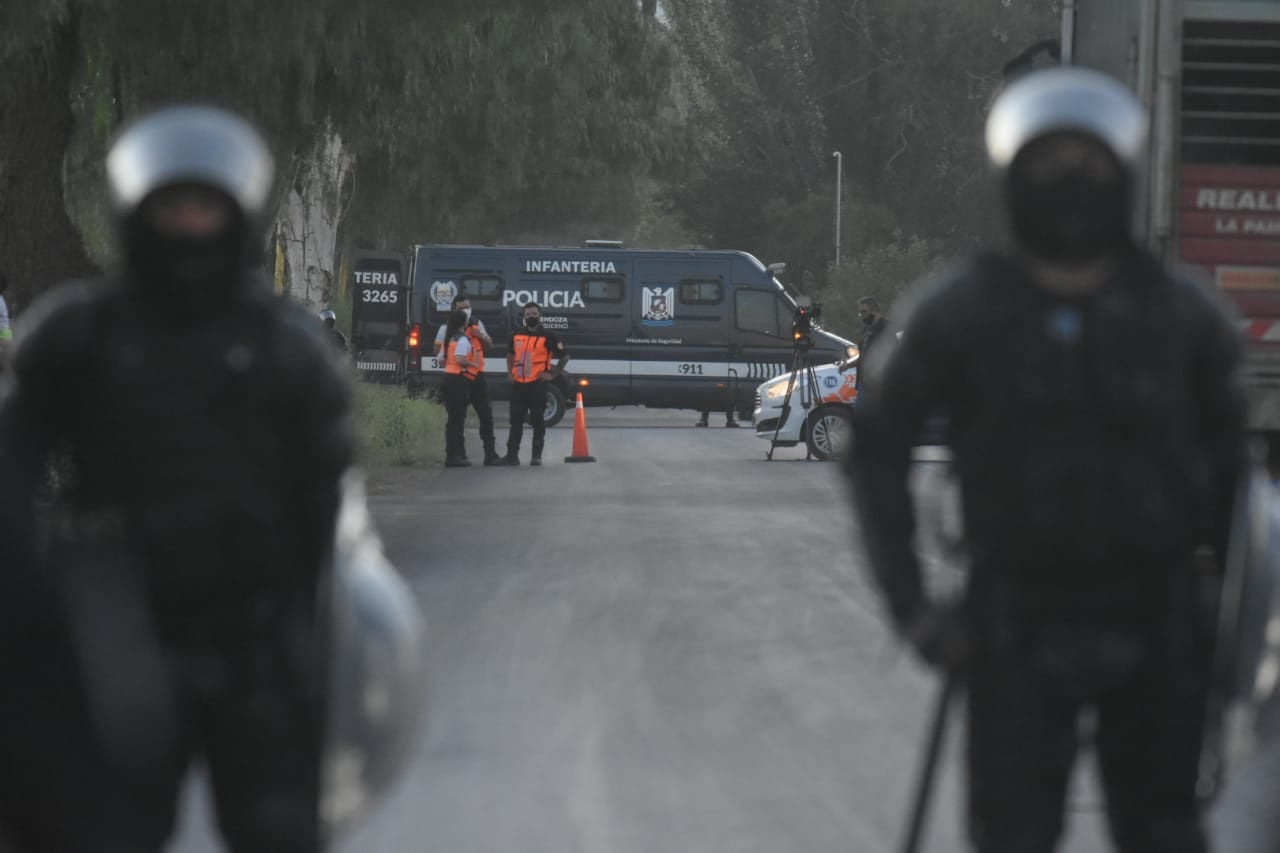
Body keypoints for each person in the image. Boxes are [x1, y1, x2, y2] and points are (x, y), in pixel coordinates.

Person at [844, 67, 1245, 853]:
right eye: (1049, 162)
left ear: (1125, 175)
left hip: (1158, 625)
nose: (1071, 183)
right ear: (1013, 175)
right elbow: (875, 449)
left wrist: (1232, 631)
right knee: (1012, 834)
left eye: (1090, 164)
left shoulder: (1185, 316)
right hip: (1014, 624)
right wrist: (914, 609)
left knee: (1165, 833)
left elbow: (1239, 485)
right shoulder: (962, 312)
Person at [0, 105, 357, 853]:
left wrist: (316, 636)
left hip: (253, 641)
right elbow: (10, 474)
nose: (190, 223)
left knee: (278, 830)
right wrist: (33, 611)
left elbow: (332, 511)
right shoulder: (78, 338)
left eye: (205, 206)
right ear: (138, 212)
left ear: (238, 214)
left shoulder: (289, 352)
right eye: (174, 205)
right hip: (110, 638)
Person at [435, 295, 500, 465]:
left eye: (468, 306)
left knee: (486, 415)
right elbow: (440, 352)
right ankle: (457, 454)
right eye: (462, 308)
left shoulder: (477, 325)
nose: (466, 310)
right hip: (460, 377)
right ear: (455, 310)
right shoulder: (446, 329)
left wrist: (481, 336)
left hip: (477, 376)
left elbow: (489, 345)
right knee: (457, 417)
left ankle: (490, 453)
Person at [504, 301, 568, 466]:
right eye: (527, 315)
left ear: (540, 316)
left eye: (533, 314)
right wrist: (509, 373)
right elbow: (510, 355)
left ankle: (536, 456)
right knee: (516, 421)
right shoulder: (516, 334)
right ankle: (512, 456)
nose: (530, 317)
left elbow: (564, 356)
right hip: (518, 385)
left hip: (537, 385)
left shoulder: (549, 336)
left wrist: (553, 374)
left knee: (538, 421)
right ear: (524, 317)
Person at [441, 308, 481, 468]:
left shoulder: (449, 339)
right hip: (458, 380)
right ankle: (454, 456)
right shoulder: (463, 340)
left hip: (448, 379)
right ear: (464, 323)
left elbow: (441, 360)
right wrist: (473, 364)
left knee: (452, 420)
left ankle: (454, 454)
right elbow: (460, 359)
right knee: (457, 421)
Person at [854, 296, 891, 391]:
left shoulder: (889, 328)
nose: (861, 315)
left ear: (874, 311)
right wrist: (847, 364)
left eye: (864, 312)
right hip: (864, 383)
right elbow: (863, 354)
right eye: (860, 312)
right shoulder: (866, 330)